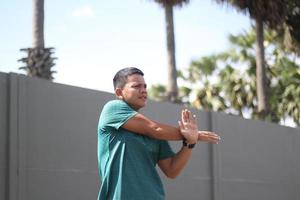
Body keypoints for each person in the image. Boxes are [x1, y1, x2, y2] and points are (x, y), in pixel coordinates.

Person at [97, 67, 220, 200]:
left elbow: (172, 170)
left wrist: (190, 142)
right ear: (119, 93)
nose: (143, 90)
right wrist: (195, 135)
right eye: (136, 86)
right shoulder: (112, 108)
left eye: (145, 86)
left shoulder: (157, 134)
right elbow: (154, 129)